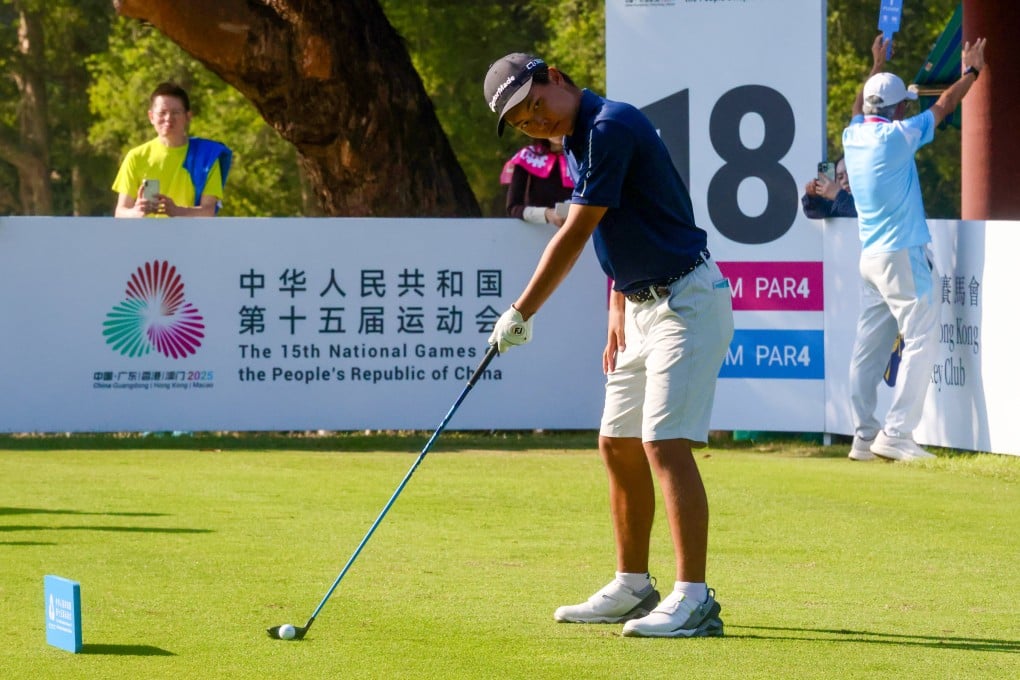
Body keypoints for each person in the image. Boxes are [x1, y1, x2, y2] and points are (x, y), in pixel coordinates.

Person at [483, 53, 733, 638]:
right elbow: (625, 226)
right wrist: (619, 302)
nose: (534, 121)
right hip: (642, 306)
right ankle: (632, 586)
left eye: (536, 105)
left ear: (557, 79)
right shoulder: (576, 140)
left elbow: (578, 232)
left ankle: (694, 598)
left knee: (664, 443)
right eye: (522, 122)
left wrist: (521, 311)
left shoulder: (609, 127)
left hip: (687, 302)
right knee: (616, 443)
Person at [842, 35, 987, 462]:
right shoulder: (897, 137)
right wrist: (972, 73)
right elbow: (942, 107)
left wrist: (876, 64)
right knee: (921, 336)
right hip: (902, 254)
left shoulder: (853, 136)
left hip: (870, 258)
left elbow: (857, 110)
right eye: (902, 103)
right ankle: (896, 433)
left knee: (867, 351)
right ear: (897, 110)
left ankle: (863, 437)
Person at [113, 82, 232, 218]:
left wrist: (176, 211)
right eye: (162, 113)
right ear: (151, 117)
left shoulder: (206, 157)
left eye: (175, 112)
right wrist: (136, 212)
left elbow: (208, 211)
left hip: (189, 238)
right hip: (146, 238)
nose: (168, 119)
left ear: (188, 117)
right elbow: (120, 212)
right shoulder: (136, 157)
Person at [501, 137, 575, 227]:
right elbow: (513, 208)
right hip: (536, 233)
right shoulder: (526, 156)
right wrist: (547, 214)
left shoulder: (587, 159)